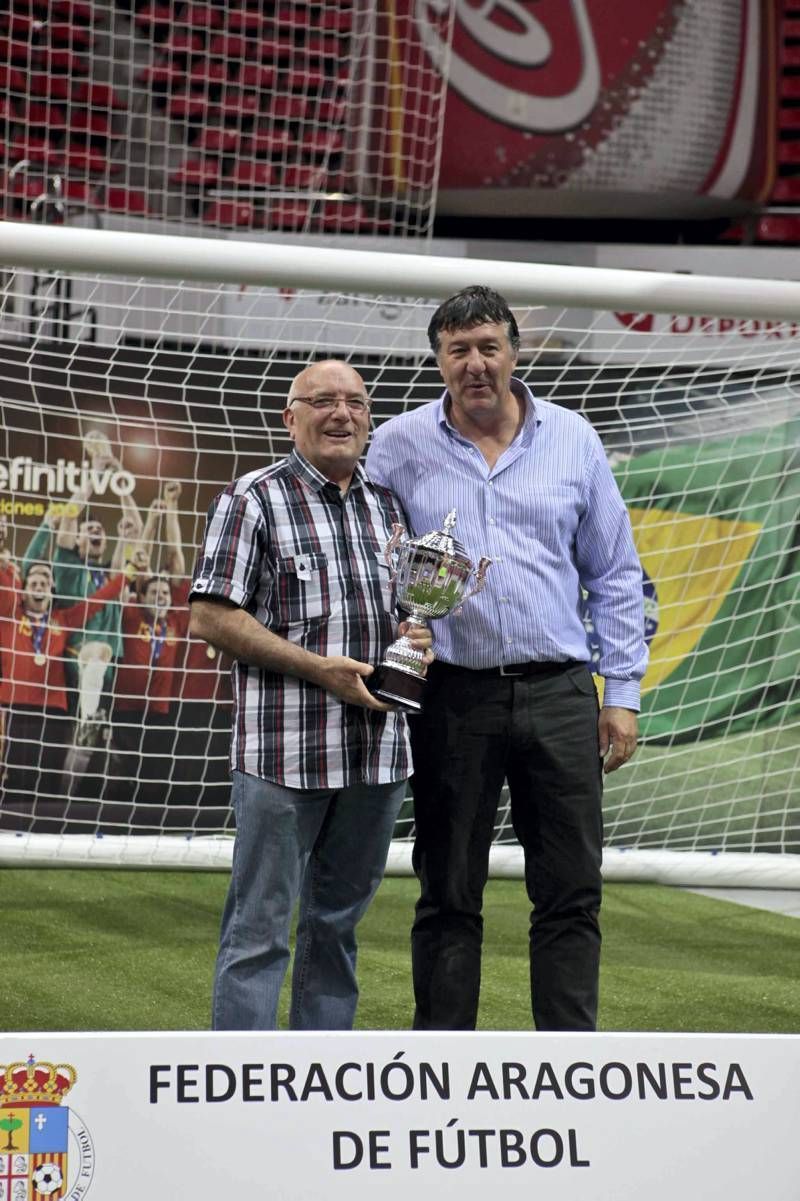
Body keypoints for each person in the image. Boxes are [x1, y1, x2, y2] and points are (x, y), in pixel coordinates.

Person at [365, 285, 648, 1032]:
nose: (475, 363)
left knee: (570, 891)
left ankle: (568, 1063)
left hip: (559, 691)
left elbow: (614, 572)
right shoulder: (396, 444)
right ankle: (444, 1066)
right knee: (448, 890)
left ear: (514, 354)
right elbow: (373, 562)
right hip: (452, 694)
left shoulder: (573, 439)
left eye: (488, 347)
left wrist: (620, 692)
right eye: (458, 350)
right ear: (438, 363)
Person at [189, 359, 432, 1031]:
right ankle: (239, 1094)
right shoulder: (252, 498)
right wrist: (316, 668)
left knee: (337, 929)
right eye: (322, 400)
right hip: (283, 758)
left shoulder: (389, 507)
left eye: (355, 402)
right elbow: (210, 616)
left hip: (376, 760)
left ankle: (315, 1095)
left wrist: (418, 636)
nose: (342, 414)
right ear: (290, 417)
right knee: (259, 932)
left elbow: (412, 610)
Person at [0, 552, 134, 829]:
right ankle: (10, 824)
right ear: (23, 592)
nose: (39, 584)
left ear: (52, 590)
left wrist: (127, 575)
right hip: (15, 705)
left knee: (48, 769)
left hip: (54, 708)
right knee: (13, 768)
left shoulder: (62, 619)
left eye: (45, 580)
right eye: (33, 581)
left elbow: (95, 602)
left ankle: (46, 828)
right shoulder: (8, 618)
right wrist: (8, 570)